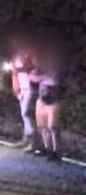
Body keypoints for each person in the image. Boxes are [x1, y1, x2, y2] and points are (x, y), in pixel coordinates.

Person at [29, 33, 71, 161]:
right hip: (42, 99)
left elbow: (55, 80)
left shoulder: (58, 65)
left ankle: (56, 151)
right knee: (42, 126)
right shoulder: (42, 64)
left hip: (54, 101)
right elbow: (32, 76)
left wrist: (42, 78)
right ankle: (47, 149)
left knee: (53, 126)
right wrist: (43, 77)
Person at [8, 34, 39, 152]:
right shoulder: (14, 56)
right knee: (23, 114)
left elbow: (34, 66)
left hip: (30, 87)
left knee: (26, 113)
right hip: (21, 89)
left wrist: (20, 69)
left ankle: (33, 141)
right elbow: (13, 74)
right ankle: (25, 139)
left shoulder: (29, 53)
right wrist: (16, 90)